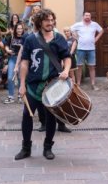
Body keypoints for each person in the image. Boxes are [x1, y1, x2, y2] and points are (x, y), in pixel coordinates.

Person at [14, 9, 71, 161]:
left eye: (52, 20)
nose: (50, 23)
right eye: (47, 21)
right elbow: (24, 63)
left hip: (52, 86)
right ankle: (26, 148)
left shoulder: (59, 38)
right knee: (27, 115)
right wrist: (22, 84)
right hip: (33, 85)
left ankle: (48, 148)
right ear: (40, 22)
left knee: (51, 117)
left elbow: (67, 58)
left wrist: (65, 70)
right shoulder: (30, 39)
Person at [70, 12, 103, 90]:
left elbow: (101, 31)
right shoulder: (78, 24)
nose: (87, 17)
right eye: (86, 15)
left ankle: (93, 84)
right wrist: (76, 37)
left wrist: (96, 39)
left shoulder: (94, 24)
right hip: (80, 49)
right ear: (83, 16)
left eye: (89, 16)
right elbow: (70, 29)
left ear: (90, 17)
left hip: (91, 49)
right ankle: (78, 84)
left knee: (92, 67)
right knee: (79, 67)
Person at [3, 22, 25, 104]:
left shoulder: (25, 38)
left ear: (23, 29)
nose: (19, 30)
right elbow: (5, 45)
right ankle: (11, 96)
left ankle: (20, 95)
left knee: (20, 78)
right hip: (12, 58)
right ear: (15, 29)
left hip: (22, 60)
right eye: (18, 28)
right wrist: (7, 50)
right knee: (10, 77)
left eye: (21, 28)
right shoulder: (11, 37)